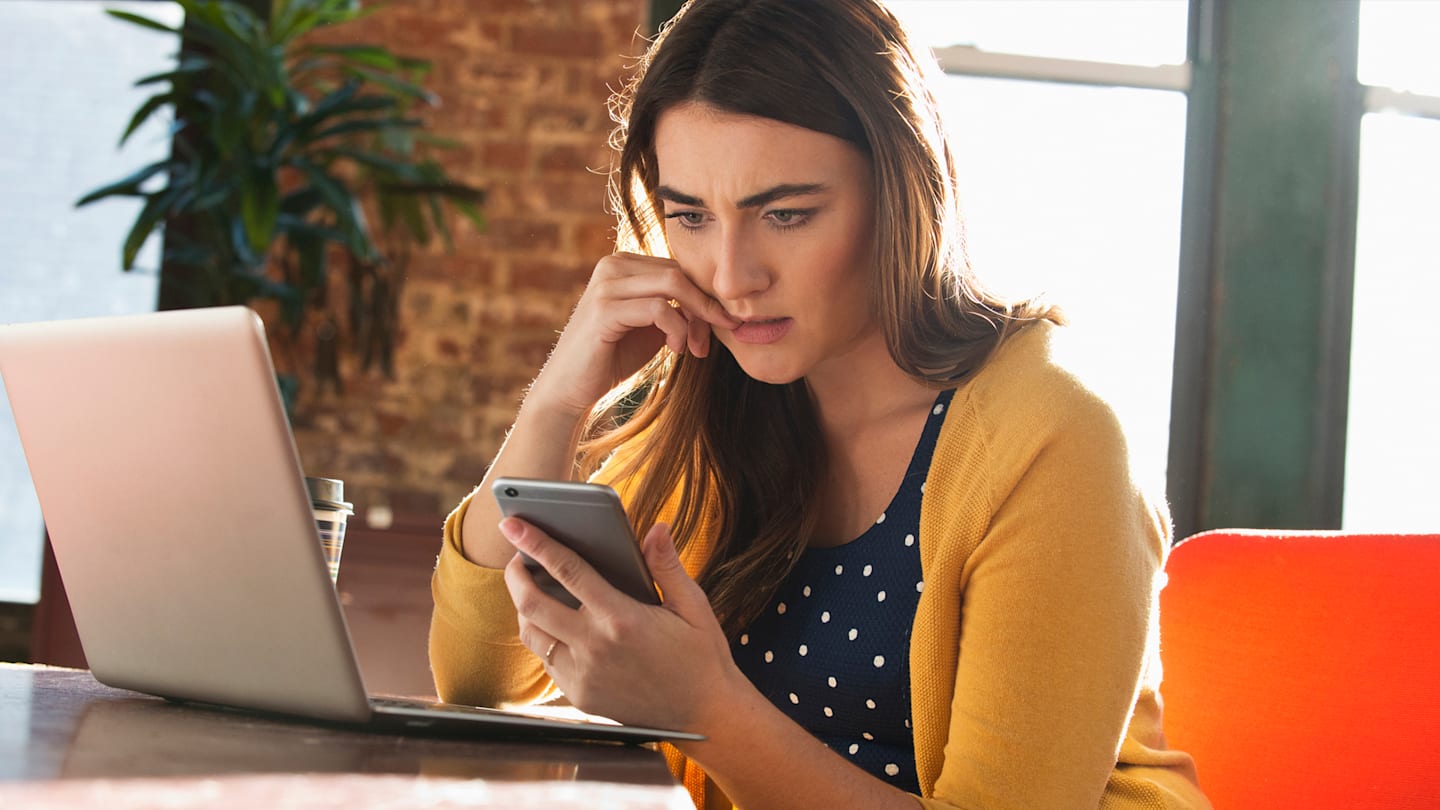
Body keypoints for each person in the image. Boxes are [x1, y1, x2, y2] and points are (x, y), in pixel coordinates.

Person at [429, 1, 1211, 808]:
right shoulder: (728, 398)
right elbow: (481, 679)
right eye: (689, 216)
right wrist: (559, 395)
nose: (732, 275)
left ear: (901, 193)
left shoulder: (1054, 438)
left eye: (785, 214)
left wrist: (705, 711)